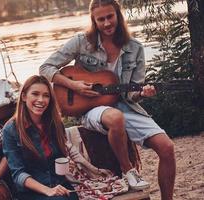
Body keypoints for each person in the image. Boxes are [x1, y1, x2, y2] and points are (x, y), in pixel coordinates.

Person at [39, 0, 175, 199]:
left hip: (126, 106)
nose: (106, 23)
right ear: (94, 21)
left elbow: (131, 94)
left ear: (118, 15)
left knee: (167, 148)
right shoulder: (81, 42)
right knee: (115, 117)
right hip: (91, 107)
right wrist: (74, 85)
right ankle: (129, 171)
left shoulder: (135, 48)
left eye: (110, 17)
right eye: (100, 19)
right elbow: (46, 68)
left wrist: (143, 93)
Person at [3, 75, 79, 200]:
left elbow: (59, 157)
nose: (41, 100)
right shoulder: (11, 129)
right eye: (35, 94)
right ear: (24, 97)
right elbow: (18, 174)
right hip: (32, 192)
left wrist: (67, 163)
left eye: (46, 95)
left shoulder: (55, 123)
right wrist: (48, 191)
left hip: (59, 184)